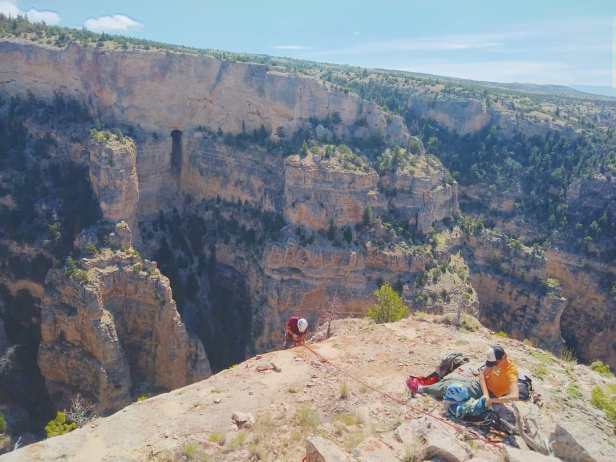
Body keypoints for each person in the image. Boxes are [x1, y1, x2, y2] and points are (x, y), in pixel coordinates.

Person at [407, 345, 519, 408]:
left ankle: (421, 389)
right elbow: (482, 374)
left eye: (494, 363)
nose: (492, 366)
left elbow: (515, 396)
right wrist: (485, 393)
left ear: (503, 357)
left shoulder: (511, 371)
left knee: (451, 386)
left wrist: (492, 399)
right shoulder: (495, 361)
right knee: (450, 379)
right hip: (481, 387)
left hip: (489, 392)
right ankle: (431, 387)